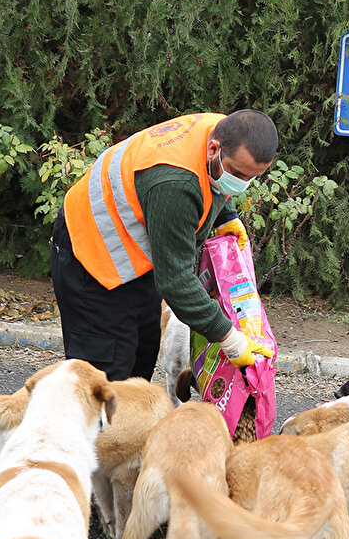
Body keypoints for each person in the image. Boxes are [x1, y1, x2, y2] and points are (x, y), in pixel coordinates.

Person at [50, 109, 277, 381]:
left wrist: (225, 215)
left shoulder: (221, 130)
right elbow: (177, 282)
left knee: (139, 363)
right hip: (91, 254)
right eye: (238, 174)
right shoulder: (175, 186)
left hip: (135, 254)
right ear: (214, 149)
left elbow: (215, 179)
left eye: (251, 178)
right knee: (103, 380)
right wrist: (229, 340)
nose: (242, 184)